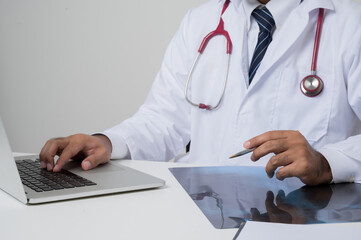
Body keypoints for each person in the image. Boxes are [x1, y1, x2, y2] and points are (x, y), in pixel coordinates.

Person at [39, 0, 361, 186]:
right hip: (202, 210)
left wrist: (326, 162)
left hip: (300, 218)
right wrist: (106, 143)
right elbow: (165, 119)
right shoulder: (202, 20)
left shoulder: (350, 23)